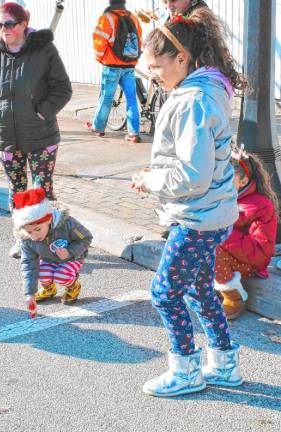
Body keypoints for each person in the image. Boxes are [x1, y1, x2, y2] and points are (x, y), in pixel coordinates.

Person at [131, 9, 248, 397]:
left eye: (156, 66)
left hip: (196, 217)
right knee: (199, 290)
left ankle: (185, 371)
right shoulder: (205, 90)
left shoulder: (193, 101)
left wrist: (150, 181)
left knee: (164, 293)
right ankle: (225, 363)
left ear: (182, 58)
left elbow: (192, 176)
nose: (152, 74)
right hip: (212, 213)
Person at [0, 2, 72, 259]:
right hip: (6, 138)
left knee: (42, 191)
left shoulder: (44, 49)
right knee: (17, 192)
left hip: (41, 136)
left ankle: (49, 240)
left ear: (23, 24)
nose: (3, 29)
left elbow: (62, 88)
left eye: (9, 24)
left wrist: (41, 112)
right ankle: (24, 240)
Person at [214, 148, 279, 319]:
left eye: (227, 178)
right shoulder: (225, 198)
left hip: (252, 262)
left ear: (243, 180)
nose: (220, 181)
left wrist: (222, 232)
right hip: (232, 252)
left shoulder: (260, 206)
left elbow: (260, 252)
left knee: (211, 248)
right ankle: (204, 288)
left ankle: (234, 297)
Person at [13, 188, 93, 316]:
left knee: (61, 276)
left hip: (72, 257)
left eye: (38, 229)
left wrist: (70, 252)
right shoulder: (27, 239)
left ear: (49, 219)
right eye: (29, 231)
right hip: (49, 259)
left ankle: (73, 286)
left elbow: (86, 238)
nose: (34, 236)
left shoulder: (67, 223)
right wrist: (29, 294)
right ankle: (49, 289)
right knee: (41, 272)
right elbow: (29, 265)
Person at [89, 0, 142, 143]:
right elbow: (139, 41)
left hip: (111, 65)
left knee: (106, 98)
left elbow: (99, 43)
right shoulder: (133, 18)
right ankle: (134, 133)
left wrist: (100, 58)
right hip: (129, 66)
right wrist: (134, 59)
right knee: (131, 99)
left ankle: (99, 128)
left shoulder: (107, 18)